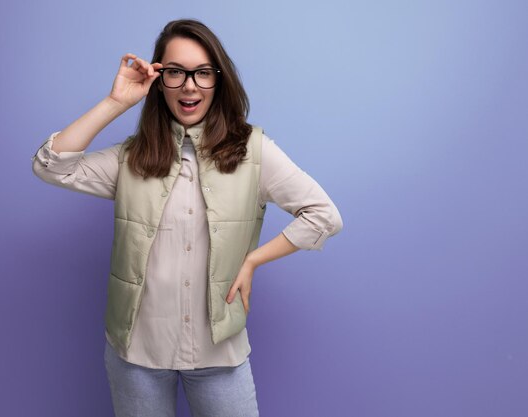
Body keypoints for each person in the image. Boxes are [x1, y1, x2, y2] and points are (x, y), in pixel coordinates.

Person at [32, 18, 343, 417]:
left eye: (203, 73)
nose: (190, 85)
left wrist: (254, 259)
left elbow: (323, 215)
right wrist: (116, 102)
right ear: (159, 80)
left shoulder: (254, 151)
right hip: (136, 354)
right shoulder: (132, 157)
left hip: (219, 352)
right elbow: (50, 166)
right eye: (176, 72)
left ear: (219, 79)